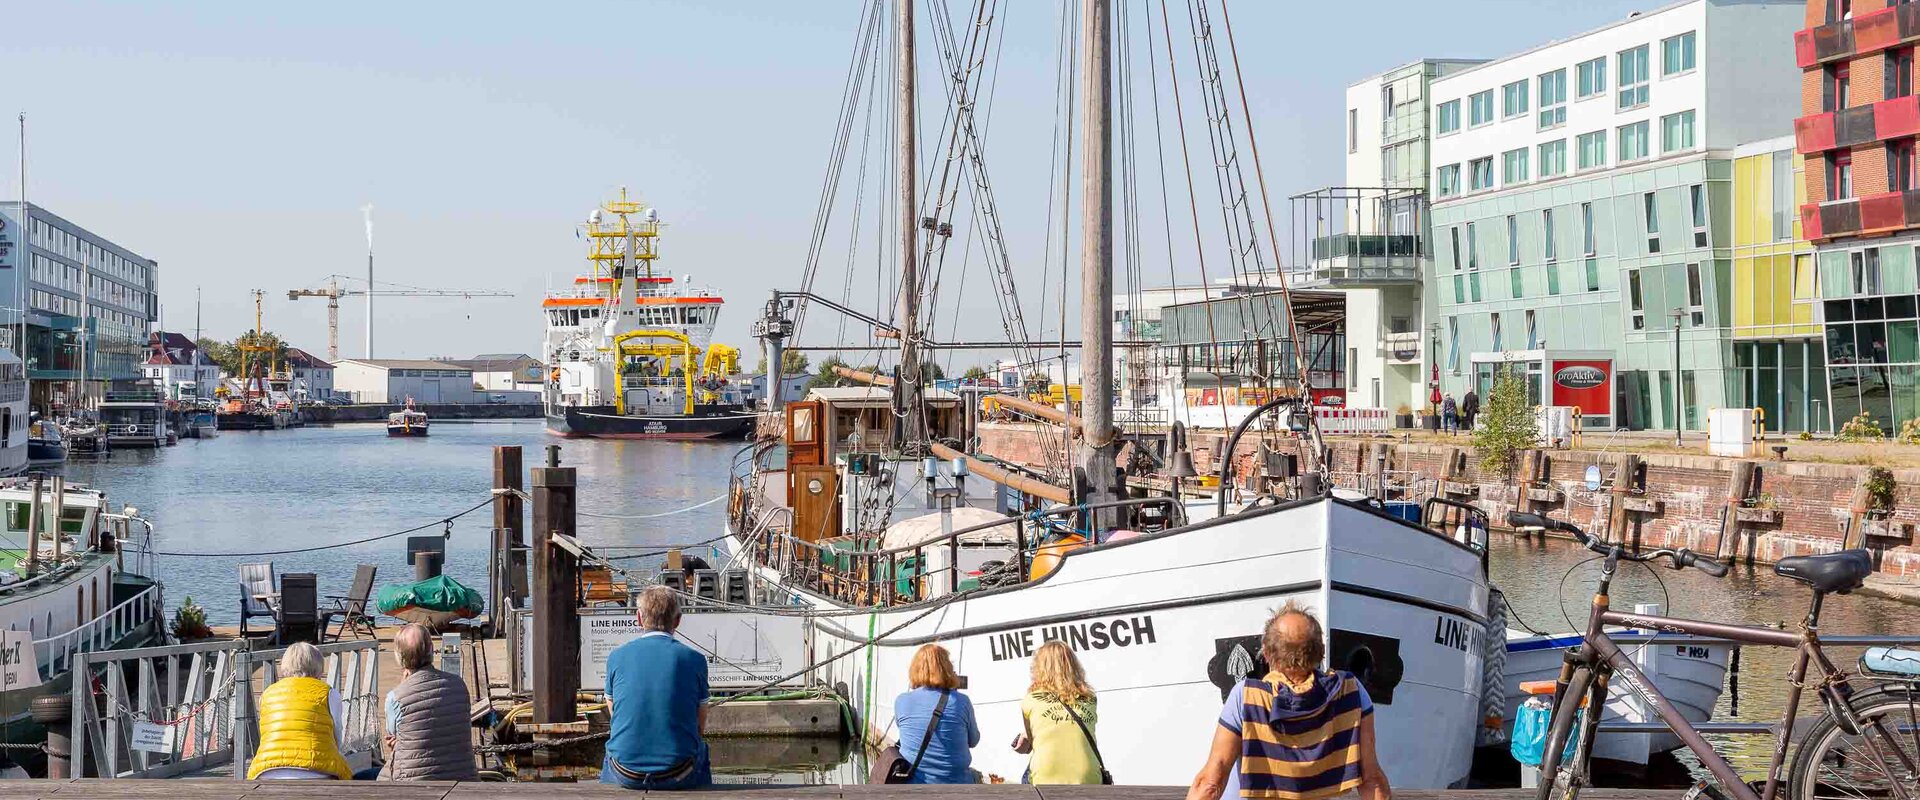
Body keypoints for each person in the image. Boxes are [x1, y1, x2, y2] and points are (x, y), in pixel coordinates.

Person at [1185, 601, 1389, 800]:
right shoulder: (1351, 692)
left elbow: (1211, 783)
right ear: (1322, 651)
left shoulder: (1247, 697)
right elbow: (1372, 781)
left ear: (1266, 654)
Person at [601, 586, 711, 790]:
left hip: (625, 772)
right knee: (701, 749)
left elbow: (613, 708)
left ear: (639, 618)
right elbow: (700, 724)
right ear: (677, 620)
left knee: (612, 752)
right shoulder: (695, 659)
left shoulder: (616, 657)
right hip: (679, 772)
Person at [378, 624, 478, 781]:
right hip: (464, 777)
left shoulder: (395, 697)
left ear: (399, 656)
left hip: (413, 781)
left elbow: (394, 736)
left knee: (363, 776)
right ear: (431, 649)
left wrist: (403, 685)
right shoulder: (459, 684)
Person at [247, 642, 352, 780]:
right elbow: (337, 736)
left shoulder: (267, 694)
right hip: (317, 769)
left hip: (266, 770)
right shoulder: (329, 693)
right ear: (319, 667)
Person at [1013, 641, 1103, 784]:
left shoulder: (1031, 699)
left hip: (1045, 779)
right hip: (1088, 778)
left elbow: (1032, 743)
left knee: (1030, 770)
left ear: (1039, 667)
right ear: (1073, 665)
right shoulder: (1090, 699)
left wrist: (1025, 737)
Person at [892, 644, 980, 784]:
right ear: (947, 669)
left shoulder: (901, 701)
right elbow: (973, 741)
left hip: (915, 784)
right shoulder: (961, 701)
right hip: (957, 785)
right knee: (977, 775)